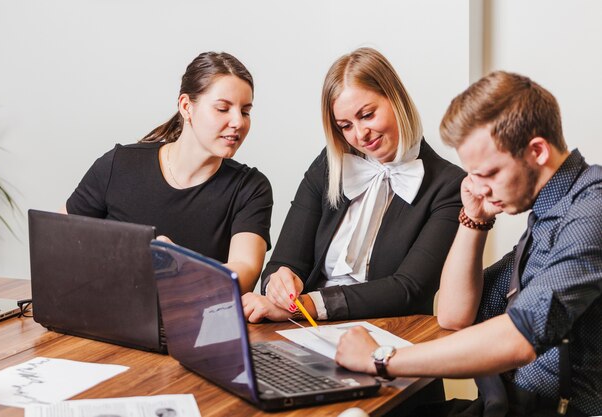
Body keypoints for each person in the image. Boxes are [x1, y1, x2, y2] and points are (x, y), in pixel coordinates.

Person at [335, 71, 602, 417]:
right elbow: (453, 315)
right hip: (508, 405)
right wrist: (474, 220)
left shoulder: (590, 211)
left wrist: (382, 359)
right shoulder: (549, 212)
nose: (477, 187)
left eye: (488, 173)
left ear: (537, 150)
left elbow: (518, 337)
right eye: (471, 174)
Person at [242, 47, 465, 323]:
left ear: (396, 99)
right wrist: (279, 285)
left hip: (392, 334)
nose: (360, 135)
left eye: (367, 115)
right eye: (345, 126)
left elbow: (409, 289)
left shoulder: (449, 185)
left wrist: (309, 305)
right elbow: (283, 262)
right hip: (304, 325)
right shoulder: (329, 164)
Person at [65, 52, 273, 293]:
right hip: (107, 313)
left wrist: (184, 267)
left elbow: (245, 270)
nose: (238, 122)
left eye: (245, 111)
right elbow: (59, 238)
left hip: (193, 324)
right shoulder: (118, 164)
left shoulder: (250, 188)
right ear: (186, 107)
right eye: (223, 108)